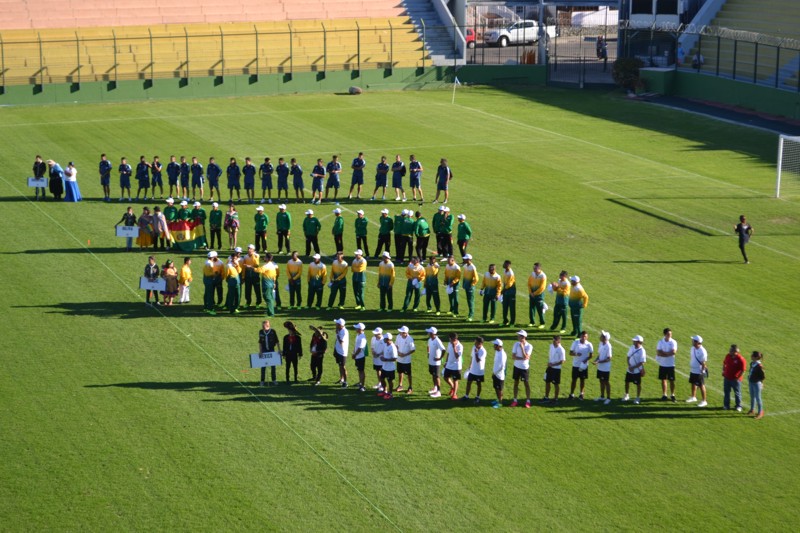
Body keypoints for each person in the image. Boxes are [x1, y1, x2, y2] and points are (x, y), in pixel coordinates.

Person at [568, 331, 593, 400]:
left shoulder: (589, 344)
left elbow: (591, 355)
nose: (583, 338)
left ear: (587, 337)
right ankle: (571, 394)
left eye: (585, 336)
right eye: (582, 336)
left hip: (584, 365)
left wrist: (586, 360)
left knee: (582, 380)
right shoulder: (575, 343)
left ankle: (581, 394)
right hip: (576, 365)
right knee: (574, 380)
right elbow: (570, 353)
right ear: (580, 336)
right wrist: (576, 354)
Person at [510, 330, 532, 408]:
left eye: (519, 336)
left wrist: (522, 348)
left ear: (523, 337)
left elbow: (526, 357)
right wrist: (522, 358)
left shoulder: (529, 346)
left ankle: (528, 401)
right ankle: (515, 400)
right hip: (516, 367)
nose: (518, 337)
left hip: (524, 368)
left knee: (526, 384)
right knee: (516, 383)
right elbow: (513, 356)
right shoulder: (516, 344)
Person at [542, 335, 566, 404]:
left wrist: (553, 364)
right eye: (553, 340)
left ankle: (556, 399)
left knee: (556, 384)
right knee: (547, 382)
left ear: (558, 341)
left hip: (556, 369)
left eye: (554, 340)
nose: (553, 341)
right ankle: (546, 397)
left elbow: (563, 361)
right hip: (550, 368)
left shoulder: (561, 350)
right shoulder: (551, 346)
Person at [722, 344, 747, 412]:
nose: (729, 351)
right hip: (727, 378)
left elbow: (743, 370)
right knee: (726, 392)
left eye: (731, 350)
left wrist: (738, 378)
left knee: (737, 393)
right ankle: (726, 405)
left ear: (735, 352)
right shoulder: (728, 356)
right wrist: (723, 371)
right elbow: (724, 363)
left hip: (735, 380)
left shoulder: (741, 359)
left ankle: (738, 406)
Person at [656, 328, 678, 402]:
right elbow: (658, 352)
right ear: (665, 334)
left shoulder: (673, 342)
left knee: (671, 380)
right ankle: (664, 394)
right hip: (662, 364)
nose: (670, 335)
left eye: (671, 334)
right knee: (663, 380)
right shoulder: (660, 342)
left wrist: (664, 354)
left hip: (671, 364)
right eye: (668, 334)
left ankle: (672, 394)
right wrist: (668, 354)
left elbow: (674, 352)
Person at [623, 335, 646, 404]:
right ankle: (626, 395)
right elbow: (628, 356)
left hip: (637, 371)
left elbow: (642, 362)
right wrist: (629, 366)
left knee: (638, 384)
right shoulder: (632, 347)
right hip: (629, 369)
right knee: (627, 382)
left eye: (635, 341)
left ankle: (637, 398)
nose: (634, 341)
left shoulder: (642, 351)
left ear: (639, 342)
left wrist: (633, 367)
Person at [686, 335, 708, 407]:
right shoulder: (693, 348)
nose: (692, 341)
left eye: (693, 340)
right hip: (693, 369)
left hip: (699, 371)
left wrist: (702, 372)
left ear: (697, 342)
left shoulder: (703, 351)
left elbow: (703, 363)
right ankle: (693, 397)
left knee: (701, 385)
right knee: (693, 383)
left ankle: (704, 401)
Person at [463, 337, 486, 404]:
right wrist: (470, 365)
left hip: (479, 371)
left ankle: (477, 397)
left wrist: (476, 353)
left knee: (478, 384)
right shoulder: (474, 347)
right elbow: (472, 357)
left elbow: (478, 360)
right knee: (469, 382)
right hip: (472, 369)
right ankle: (466, 396)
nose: (475, 343)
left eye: (476, 342)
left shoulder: (483, 351)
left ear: (480, 343)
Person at [592, 330, 612, 405]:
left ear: (605, 338)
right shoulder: (601, 343)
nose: (600, 336)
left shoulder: (608, 346)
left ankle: (608, 398)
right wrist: (596, 360)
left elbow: (609, 358)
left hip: (605, 368)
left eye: (602, 336)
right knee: (601, 381)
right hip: (600, 367)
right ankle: (602, 396)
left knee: (606, 382)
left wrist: (598, 362)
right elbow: (599, 354)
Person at [394, 325, 415, 393]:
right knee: (400, 372)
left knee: (408, 374)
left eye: (402, 332)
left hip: (406, 360)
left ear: (405, 333)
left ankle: (410, 387)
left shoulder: (410, 339)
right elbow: (396, 345)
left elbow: (413, 349)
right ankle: (400, 385)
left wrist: (405, 354)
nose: (400, 333)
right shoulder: (398, 336)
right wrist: (398, 352)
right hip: (399, 359)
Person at [426, 326, 446, 397]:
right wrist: (428, 353)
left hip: (436, 363)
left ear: (432, 333)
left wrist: (439, 358)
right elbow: (428, 346)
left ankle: (439, 391)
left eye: (429, 332)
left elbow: (443, 349)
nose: (428, 333)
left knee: (437, 376)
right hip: (431, 361)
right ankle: (435, 387)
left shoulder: (437, 341)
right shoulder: (430, 339)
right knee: (433, 375)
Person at [259, 320, 281, 386]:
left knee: (273, 366)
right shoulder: (261, 332)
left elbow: (277, 341)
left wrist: (279, 350)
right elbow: (260, 342)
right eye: (262, 325)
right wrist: (260, 351)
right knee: (263, 366)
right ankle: (262, 380)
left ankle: (274, 380)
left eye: (264, 325)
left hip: (271, 350)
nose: (263, 327)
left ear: (268, 325)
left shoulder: (272, 331)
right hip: (264, 351)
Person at [443, 332, 464, 400]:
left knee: (455, 380)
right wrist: (446, 361)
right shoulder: (449, 343)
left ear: (454, 339)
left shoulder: (460, 346)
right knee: (445, 377)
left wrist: (454, 347)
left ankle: (454, 394)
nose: (449, 339)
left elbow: (457, 356)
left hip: (456, 365)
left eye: (450, 338)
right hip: (449, 364)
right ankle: (452, 387)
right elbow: (448, 353)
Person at [527, 262, 547, 328]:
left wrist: (534, 293)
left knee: (540, 309)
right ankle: (532, 322)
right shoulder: (532, 274)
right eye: (533, 267)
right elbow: (529, 283)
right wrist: (530, 292)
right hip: (532, 294)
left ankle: (542, 323)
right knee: (531, 308)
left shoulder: (543, 276)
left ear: (539, 268)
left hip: (539, 295)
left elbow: (542, 288)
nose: (534, 269)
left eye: (535, 268)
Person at [379, 333, 399, 399]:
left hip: (390, 368)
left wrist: (386, 359)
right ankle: (385, 391)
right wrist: (382, 356)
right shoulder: (385, 345)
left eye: (384, 339)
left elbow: (395, 358)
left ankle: (390, 393)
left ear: (388, 339)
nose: (383, 340)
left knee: (390, 381)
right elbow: (384, 353)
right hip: (384, 367)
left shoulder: (393, 347)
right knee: (381, 378)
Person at [351, 323, 368, 392]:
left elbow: (360, 348)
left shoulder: (362, 337)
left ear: (360, 329)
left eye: (357, 328)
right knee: (359, 370)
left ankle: (362, 385)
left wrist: (355, 354)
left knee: (361, 371)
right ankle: (360, 382)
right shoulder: (358, 335)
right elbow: (356, 346)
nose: (355, 329)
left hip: (360, 356)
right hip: (358, 356)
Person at [748, 351, 765, 419]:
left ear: (756, 357)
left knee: (758, 398)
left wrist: (761, 383)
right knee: (752, 396)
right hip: (751, 382)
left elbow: (763, 376)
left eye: (752, 355)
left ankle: (760, 412)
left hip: (756, 383)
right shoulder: (752, 363)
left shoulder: (759, 366)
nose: (751, 356)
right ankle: (752, 409)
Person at [490, 339, 507, 408]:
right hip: (495, 373)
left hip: (499, 375)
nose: (493, 346)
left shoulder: (502, 355)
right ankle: (498, 399)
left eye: (495, 345)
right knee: (496, 388)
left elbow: (502, 367)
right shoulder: (497, 352)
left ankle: (500, 403)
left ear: (498, 346)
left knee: (499, 389)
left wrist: (495, 373)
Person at [332, 318, 349, 387]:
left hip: (342, 352)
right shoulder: (340, 330)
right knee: (340, 365)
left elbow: (341, 342)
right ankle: (341, 379)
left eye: (337, 324)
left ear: (340, 325)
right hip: (338, 351)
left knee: (343, 367)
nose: (335, 325)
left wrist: (337, 334)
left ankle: (345, 382)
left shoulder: (344, 332)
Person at [462, 254, 478, 321]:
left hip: (470, 287)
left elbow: (476, 278)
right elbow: (464, 276)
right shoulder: (465, 266)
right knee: (469, 300)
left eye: (465, 259)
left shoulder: (473, 267)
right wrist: (464, 283)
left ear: (469, 259)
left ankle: (471, 315)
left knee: (471, 301)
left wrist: (472, 285)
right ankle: (470, 314)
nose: (464, 259)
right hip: (466, 286)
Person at [501, 260, 516, 327]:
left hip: (511, 291)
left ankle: (512, 322)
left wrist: (503, 290)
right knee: (505, 307)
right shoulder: (505, 271)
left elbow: (510, 284)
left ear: (509, 265)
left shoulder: (510, 273)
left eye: (505, 264)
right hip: (506, 290)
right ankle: (505, 321)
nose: (504, 265)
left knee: (512, 308)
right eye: (504, 263)